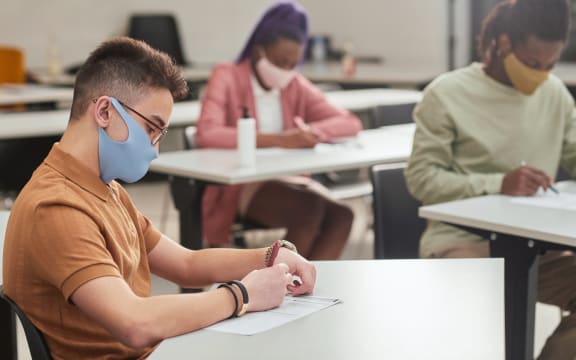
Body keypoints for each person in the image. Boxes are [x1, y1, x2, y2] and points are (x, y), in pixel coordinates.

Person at [2, 37, 316, 359]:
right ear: (105, 111)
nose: (154, 148)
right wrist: (242, 295)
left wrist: (269, 257)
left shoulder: (103, 188)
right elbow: (134, 322)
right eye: (151, 129)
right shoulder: (56, 208)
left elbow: (185, 263)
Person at [405, 0, 576, 358]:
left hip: (537, 246)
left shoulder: (554, 94)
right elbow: (421, 179)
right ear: (503, 43)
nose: (541, 75)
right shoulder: (446, 93)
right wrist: (498, 183)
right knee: (481, 333)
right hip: (460, 244)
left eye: (549, 65)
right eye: (532, 64)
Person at [195, 2, 363, 259]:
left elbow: (349, 122)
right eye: (280, 61)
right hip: (240, 182)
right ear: (259, 51)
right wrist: (282, 140)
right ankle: (276, 286)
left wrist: (309, 132)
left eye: (293, 64)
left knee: (343, 215)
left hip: (286, 177)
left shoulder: (293, 83)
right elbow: (207, 133)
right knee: (309, 211)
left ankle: (308, 287)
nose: (286, 70)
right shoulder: (227, 75)